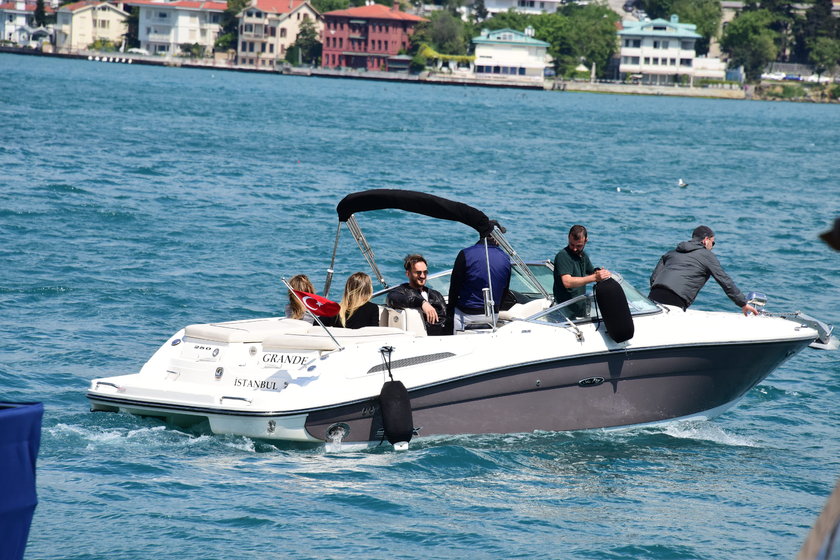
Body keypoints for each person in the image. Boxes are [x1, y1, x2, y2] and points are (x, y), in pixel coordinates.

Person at [648, 225, 758, 315]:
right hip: (675, 301)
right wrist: (743, 303)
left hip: (652, 298)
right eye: (713, 243)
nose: (712, 247)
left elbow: (654, 278)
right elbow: (724, 280)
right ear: (706, 240)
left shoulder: (672, 253)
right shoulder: (707, 255)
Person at [447, 235, 511, 332]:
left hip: (466, 315)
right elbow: (505, 289)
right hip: (493, 316)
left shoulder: (465, 253)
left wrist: (449, 313)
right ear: (497, 238)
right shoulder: (505, 257)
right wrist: (497, 308)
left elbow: (454, 287)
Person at [552, 225, 611, 317]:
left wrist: (599, 273)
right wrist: (594, 277)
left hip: (580, 309)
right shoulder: (563, 256)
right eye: (572, 244)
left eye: (579, 246)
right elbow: (567, 282)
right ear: (568, 238)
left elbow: (591, 272)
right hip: (565, 312)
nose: (575, 249)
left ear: (586, 241)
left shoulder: (582, 255)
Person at [386, 254, 448, 335]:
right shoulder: (401, 291)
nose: (422, 276)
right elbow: (392, 298)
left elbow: (445, 319)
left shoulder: (436, 295)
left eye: (425, 272)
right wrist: (422, 303)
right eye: (418, 273)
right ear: (408, 274)